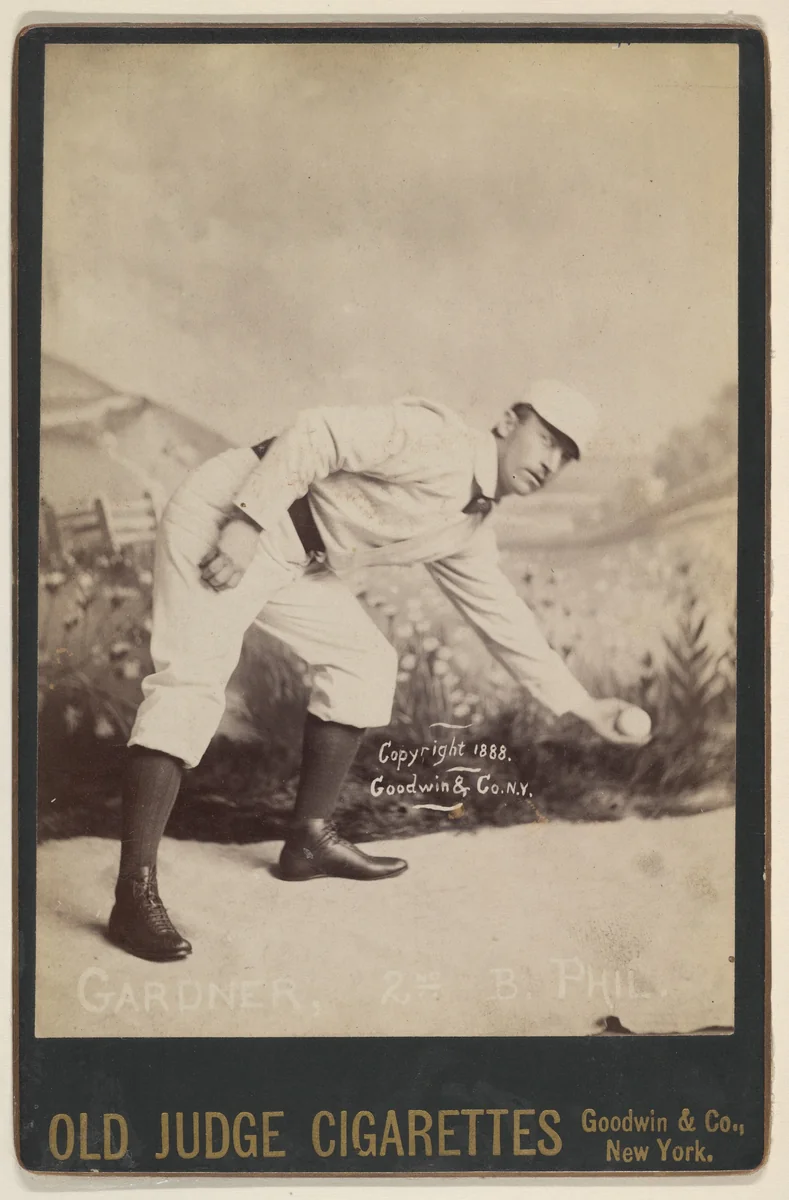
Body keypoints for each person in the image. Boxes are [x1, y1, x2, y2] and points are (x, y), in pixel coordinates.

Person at [108, 380, 649, 962]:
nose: (550, 462)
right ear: (507, 421)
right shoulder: (436, 438)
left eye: (564, 457)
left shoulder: (469, 527)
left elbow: (504, 621)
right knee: (191, 682)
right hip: (232, 514)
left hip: (295, 554)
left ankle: (308, 842)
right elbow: (316, 431)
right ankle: (132, 896)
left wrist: (585, 705)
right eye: (546, 439)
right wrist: (245, 522)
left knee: (364, 661)